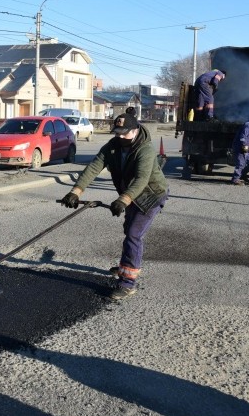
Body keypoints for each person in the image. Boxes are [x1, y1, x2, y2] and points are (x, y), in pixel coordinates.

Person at [61, 112, 169, 300]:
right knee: (129, 231)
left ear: (135, 131)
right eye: (117, 132)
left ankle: (127, 283)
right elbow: (94, 167)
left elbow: (141, 179)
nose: (119, 137)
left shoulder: (145, 150)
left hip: (151, 195)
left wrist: (123, 200)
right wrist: (75, 192)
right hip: (130, 194)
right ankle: (129, 264)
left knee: (134, 234)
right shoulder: (113, 146)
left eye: (123, 133)